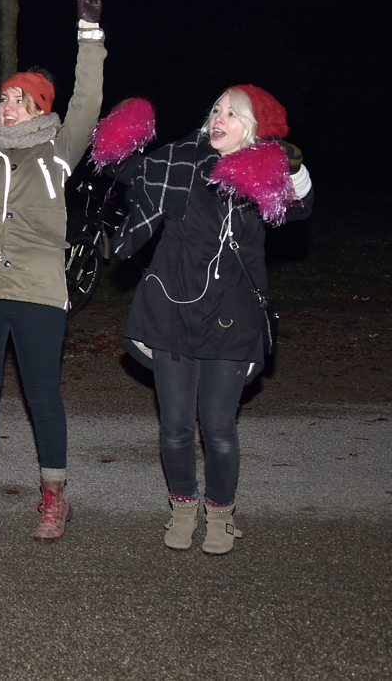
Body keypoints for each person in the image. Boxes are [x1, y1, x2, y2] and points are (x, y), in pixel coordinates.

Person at [111, 86, 313, 554]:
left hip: (231, 316)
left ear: (255, 130)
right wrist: (121, 133)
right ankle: (183, 507)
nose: (219, 118)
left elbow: (301, 207)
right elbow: (129, 174)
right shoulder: (181, 161)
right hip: (171, 310)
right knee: (176, 426)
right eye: (216, 110)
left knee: (219, 428)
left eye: (233, 114)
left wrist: (293, 165)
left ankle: (220, 513)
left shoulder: (262, 175)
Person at [0, 0, 106, 540]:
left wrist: (90, 31)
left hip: (37, 288)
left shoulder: (59, 149)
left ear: (39, 108)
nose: (5, 103)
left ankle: (54, 494)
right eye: (4, 96)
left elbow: (88, 99)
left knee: (42, 394)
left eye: (17, 98)